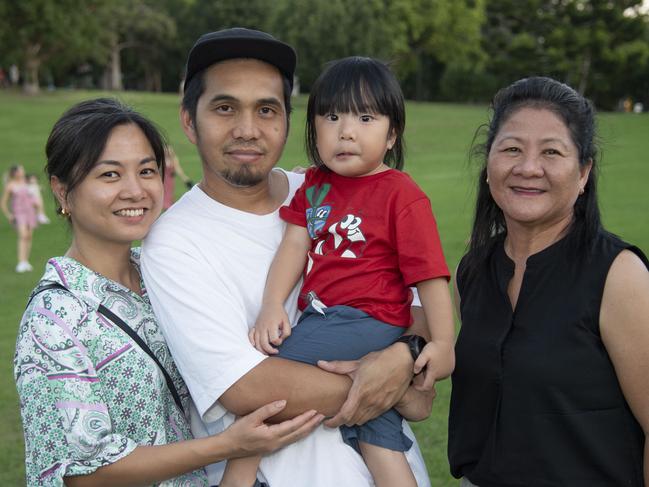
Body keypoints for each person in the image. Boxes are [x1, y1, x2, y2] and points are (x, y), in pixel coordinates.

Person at [142, 28, 435, 487]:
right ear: (188, 120)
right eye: (224, 108)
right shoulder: (174, 242)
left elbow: (419, 315)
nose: (247, 129)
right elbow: (247, 387)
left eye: (266, 110)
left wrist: (404, 354)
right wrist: (388, 383)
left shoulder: (329, 191)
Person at [14, 98, 323, 487]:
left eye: (146, 171)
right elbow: (81, 473)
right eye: (110, 175)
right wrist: (227, 445)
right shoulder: (53, 317)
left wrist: (305, 192)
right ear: (62, 192)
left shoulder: (169, 271)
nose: (135, 190)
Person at [233, 56, 454, 487]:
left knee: (265, 388)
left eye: (365, 117)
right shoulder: (314, 185)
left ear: (392, 134)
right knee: (376, 429)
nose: (346, 131)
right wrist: (272, 305)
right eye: (332, 116)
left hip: (365, 319)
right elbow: (293, 247)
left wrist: (444, 342)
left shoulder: (401, 195)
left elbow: (430, 278)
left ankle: (235, 479)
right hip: (328, 318)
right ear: (314, 127)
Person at [448, 76, 649, 486]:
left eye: (552, 152)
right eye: (512, 149)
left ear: (583, 173)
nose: (527, 168)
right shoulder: (473, 270)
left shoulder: (619, 274)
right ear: (489, 166)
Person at [1, 164, 38, 272]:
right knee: (23, 235)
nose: (22, 171)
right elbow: (3, 202)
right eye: (21, 170)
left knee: (29, 236)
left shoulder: (26, 182)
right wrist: (9, 214)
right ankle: (21, 261)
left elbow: (32, 195)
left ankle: (26, 261)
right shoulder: (11, 185)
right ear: (16, 173)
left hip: (30, 212)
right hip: (19, 213)